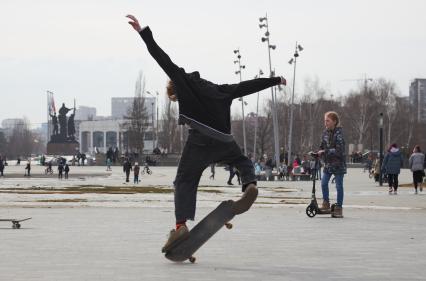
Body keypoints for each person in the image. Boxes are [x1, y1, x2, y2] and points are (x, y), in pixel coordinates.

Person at [126, 14, 287, 252]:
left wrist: (144, 33)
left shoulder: (182, 81)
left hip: (200, 141)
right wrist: (276, 79)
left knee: (184, 180)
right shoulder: (221, 90)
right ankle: (250, 184)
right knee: (241, 160)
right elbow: (248, 86)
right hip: (224, 140)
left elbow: (162, 58)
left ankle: (180, 226)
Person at [318, 111, 346, 218]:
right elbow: (322, 146)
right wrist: (318, 152)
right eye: (325, 121)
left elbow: (339, 150)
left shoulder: (339, 134)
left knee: (339, 186)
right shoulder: (325, 133)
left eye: (328, 121)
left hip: (338, 164)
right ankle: (326, 204)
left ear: (334, 121)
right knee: (324, 183)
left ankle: (339, 208)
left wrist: (325, 151)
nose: (326, 123)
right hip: (328, 164)